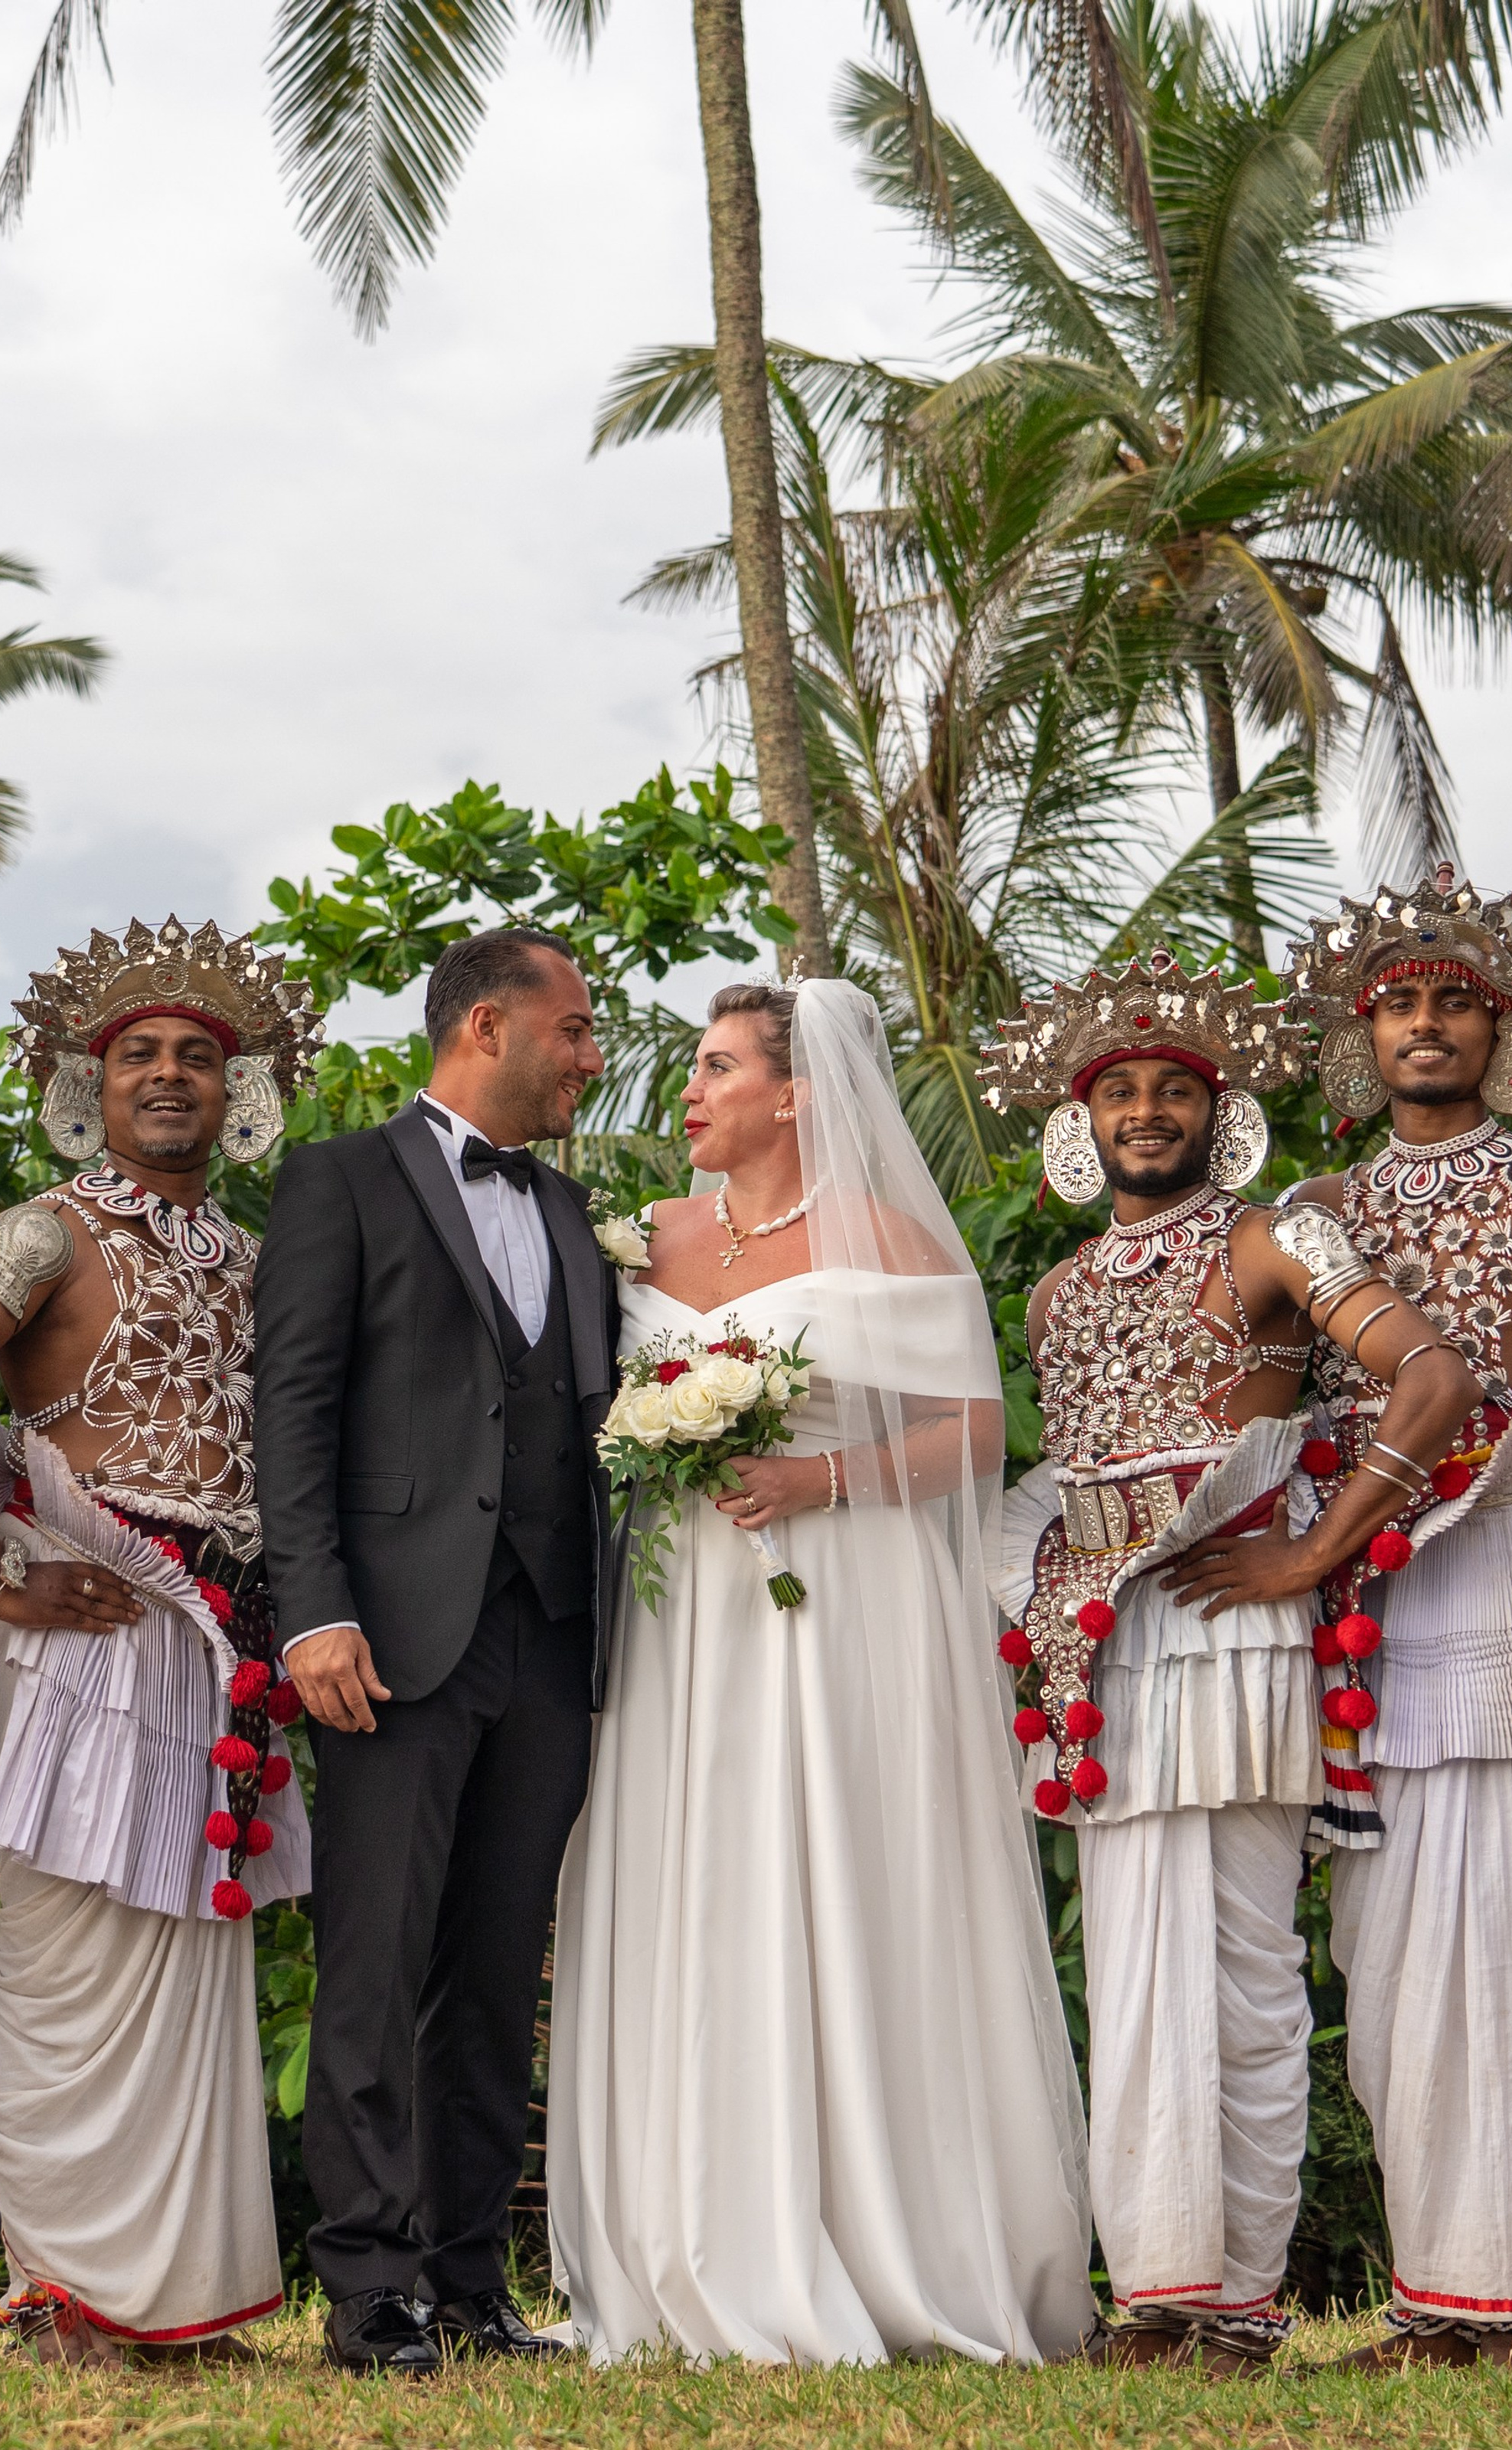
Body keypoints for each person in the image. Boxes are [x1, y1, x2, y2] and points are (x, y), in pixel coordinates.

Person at [547, 978, 1095, 2367]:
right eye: (694, 1065)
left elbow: (976, 1435)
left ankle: (881, 2232)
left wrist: (820, 1475)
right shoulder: (641, 1239)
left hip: (845, 1597)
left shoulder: (891, 1241)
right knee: (700, 1872)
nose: (690, 1089)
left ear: (794, 1095)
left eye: (718, 1066)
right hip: (683, 1616)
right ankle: (687, 2230)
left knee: (850, 1871)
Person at [981, 953, 1479, 2373]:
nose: (1148, 1111)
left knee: (1245, 1969)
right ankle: (1163, 2288)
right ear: (1083, 1124)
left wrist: (1317, 1560)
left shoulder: (1274, 1240)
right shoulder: (1057, 1295)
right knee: (1136, 1968)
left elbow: (1435, 1383)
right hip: (1102, 1651)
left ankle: (1240, 2302)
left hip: (1239, 1633)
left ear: (1223, 1113)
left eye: (1176, 1090)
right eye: (1121, 1091)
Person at [0, 916, 319, 2364]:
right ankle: (60, 2293)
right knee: (66, 1951)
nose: (172, 1075)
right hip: (87, 1617)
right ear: (91, 1083)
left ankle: (169, 2302)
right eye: (141, 1055)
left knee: (190, 1953)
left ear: (241, 1089)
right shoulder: (46, 1227)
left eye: (200, 1055)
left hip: (221, 1639)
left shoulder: (257, 1255)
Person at [253, 926, 620, 2375]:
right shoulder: (339, 1180)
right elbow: (292, 1408)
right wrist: (315, 1609)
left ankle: (471, 2279)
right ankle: (366, 2290)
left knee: (493, 1965)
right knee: (376, 1957)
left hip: (554, 1631)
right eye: (577, 1029)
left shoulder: (578, 1210)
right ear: (489, 1024)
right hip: (392, 1636)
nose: (592, 1055)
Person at [1277, 872, 1512, 2366]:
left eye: (1452, 999)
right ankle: (1446, 2287)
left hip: (1494, 1569)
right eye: (1399, 1002)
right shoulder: (1309, 1218)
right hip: (1359, 1597)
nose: (1424, 1023)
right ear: (1366, 1035)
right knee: (1391, 1954)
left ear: (1492, 1025)